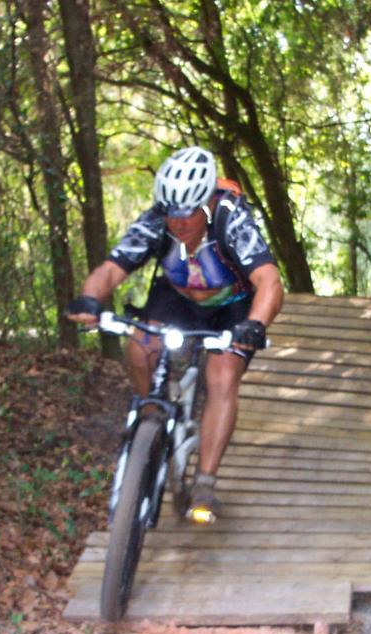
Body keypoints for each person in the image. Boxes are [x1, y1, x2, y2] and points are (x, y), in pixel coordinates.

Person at [65, 146, 284, 522]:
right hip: (177, 296)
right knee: (140, 346)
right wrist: (89, 299)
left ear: (204, 206)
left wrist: (255, 325)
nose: (177, 223)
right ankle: (150, 415)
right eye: (171, 213)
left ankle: (204, 484)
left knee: (222, 375)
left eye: (186, 215)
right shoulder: (158, 221)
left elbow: (269, 281)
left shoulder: (230, 219)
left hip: (232, 304)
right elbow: (112, 269)